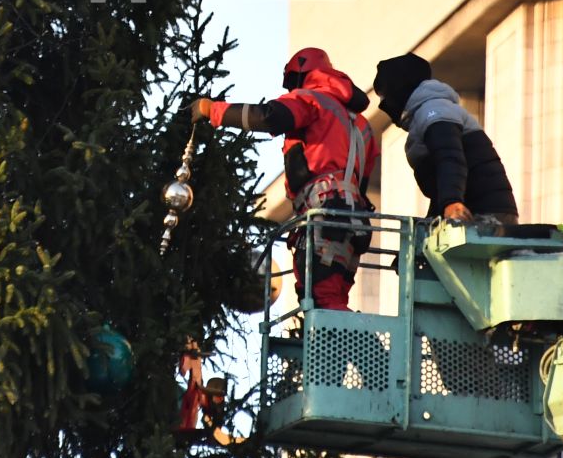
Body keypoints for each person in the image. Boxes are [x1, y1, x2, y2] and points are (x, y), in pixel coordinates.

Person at [191, 48, 377, 311]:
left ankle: (361, 351)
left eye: (292, 83)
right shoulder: (362, 126)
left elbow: (269, 116)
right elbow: (363, 182)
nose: (290, 90)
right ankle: (360, 349)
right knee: (332, 298)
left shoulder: (312, 99)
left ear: (301, 74)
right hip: (354, 223)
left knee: (321, 299)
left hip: (326, 213)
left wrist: (213, 110)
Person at [369, 53, 519, 224]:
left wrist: (451, 203)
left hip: (483, 213)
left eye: (383, 94)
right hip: (477, 210)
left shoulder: (433, 109)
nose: (382, 102)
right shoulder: (426, 113)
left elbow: (449, 157)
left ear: (398, 87)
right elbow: (440, 180)